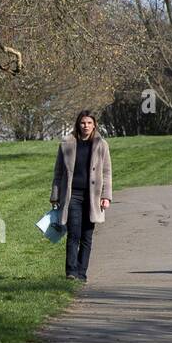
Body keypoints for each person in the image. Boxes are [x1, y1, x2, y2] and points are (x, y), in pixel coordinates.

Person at [51, 110, 112, 283]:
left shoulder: (101, 144)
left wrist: (106, 196)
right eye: (83, 123)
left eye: (89, 123)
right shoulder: (67, 144)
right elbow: (58, 172)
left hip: (93, 197)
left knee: (87, 235)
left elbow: (107, 172)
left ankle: (82, 272)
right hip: (73, 196)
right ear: (78, 124)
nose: (86, 126)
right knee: (74, 233)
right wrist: (55, 195)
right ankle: (71, 271)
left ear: (94, 125)